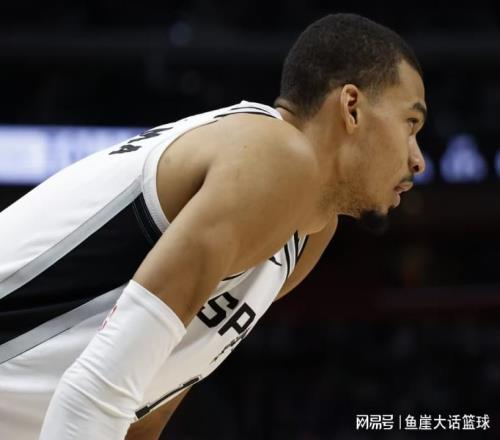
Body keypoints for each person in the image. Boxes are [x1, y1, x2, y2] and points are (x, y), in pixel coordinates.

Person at [0, 13, 426, 440]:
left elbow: (140, 414)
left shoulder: (309, 233)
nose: (417, 159)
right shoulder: (274, 157)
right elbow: (94, 396)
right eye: (410, 124)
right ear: (351, 107)